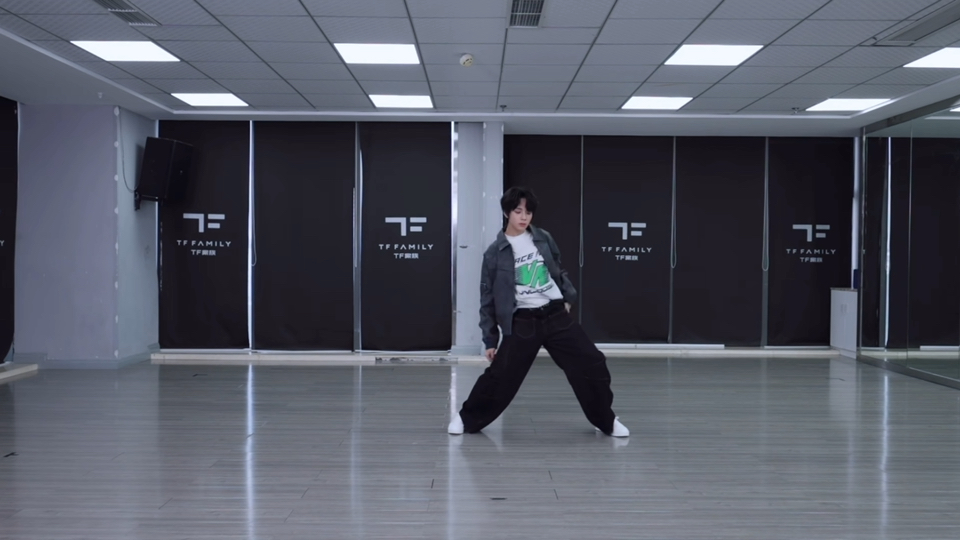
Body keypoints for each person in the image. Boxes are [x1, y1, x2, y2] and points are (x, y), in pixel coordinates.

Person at [448, 186, 629, 437]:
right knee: (501, 376)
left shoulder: (543, 238)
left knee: (592, 362)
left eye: (528, 212)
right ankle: (466, 418)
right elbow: (487, 298)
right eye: (518, 211)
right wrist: (490, 339)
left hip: (556, 316)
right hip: (523, 320)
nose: (524, 217)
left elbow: (556, 268)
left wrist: (567, 297)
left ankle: (605, 420)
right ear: (506, 212)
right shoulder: (494, 253)